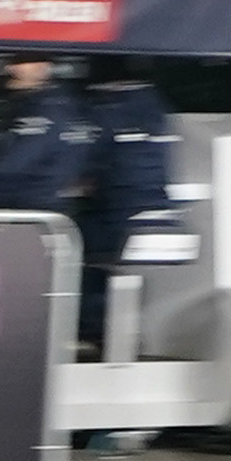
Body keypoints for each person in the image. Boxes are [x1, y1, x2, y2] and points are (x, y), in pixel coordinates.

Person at [69, 71, 175, 355]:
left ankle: (93, 333)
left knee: (78, 248)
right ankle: (120, 336)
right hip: (158, 213)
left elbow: (91, 163)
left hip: (120, 215)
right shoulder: (154, 105)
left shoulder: (107, 110)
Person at [0, 54, 98, 221]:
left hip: (25, 212)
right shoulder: (68, 106)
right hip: (49, 210)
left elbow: (12, 167)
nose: (9, 69)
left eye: (20, 62)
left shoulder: (47, 111)